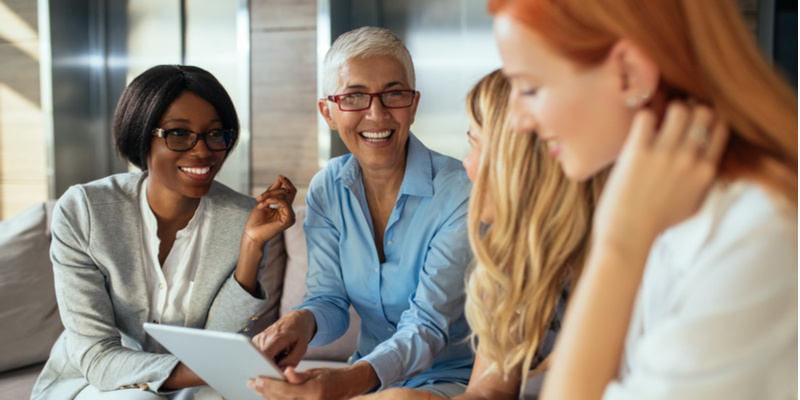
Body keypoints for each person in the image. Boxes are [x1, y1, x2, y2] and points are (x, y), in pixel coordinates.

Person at [488, 0, 798, 399]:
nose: (517, 119)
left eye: (530, 87)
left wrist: (619, 246)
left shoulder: (760, 236)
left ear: (629, 73)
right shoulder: (668, 203)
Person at [31, 65, 297, 400]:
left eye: (215, 133)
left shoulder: (245, 216)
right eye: (179, 133)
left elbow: (220, 340)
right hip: (99, 385)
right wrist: (219, 368)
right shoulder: (85, 210)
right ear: (141, 136)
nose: (202, 150)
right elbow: (97, 357)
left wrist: (252, 245)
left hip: (195, 386)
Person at [247, 26, 475, 399]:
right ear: (329, 112)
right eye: (354, 96)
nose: (377, 113)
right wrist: (299, 322)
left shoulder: (459, 192)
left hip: (451, 380)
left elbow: (429, 326)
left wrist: (348, 382)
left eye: (394, 94)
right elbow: (330, 301)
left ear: (413, 104)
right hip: (369, 378)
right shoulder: (327, 188)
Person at [356, 69, 607, 400]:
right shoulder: (511, 264)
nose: (466, 164)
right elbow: (489, 391)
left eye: (475, 145)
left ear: (518, 161)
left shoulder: (618, 264)